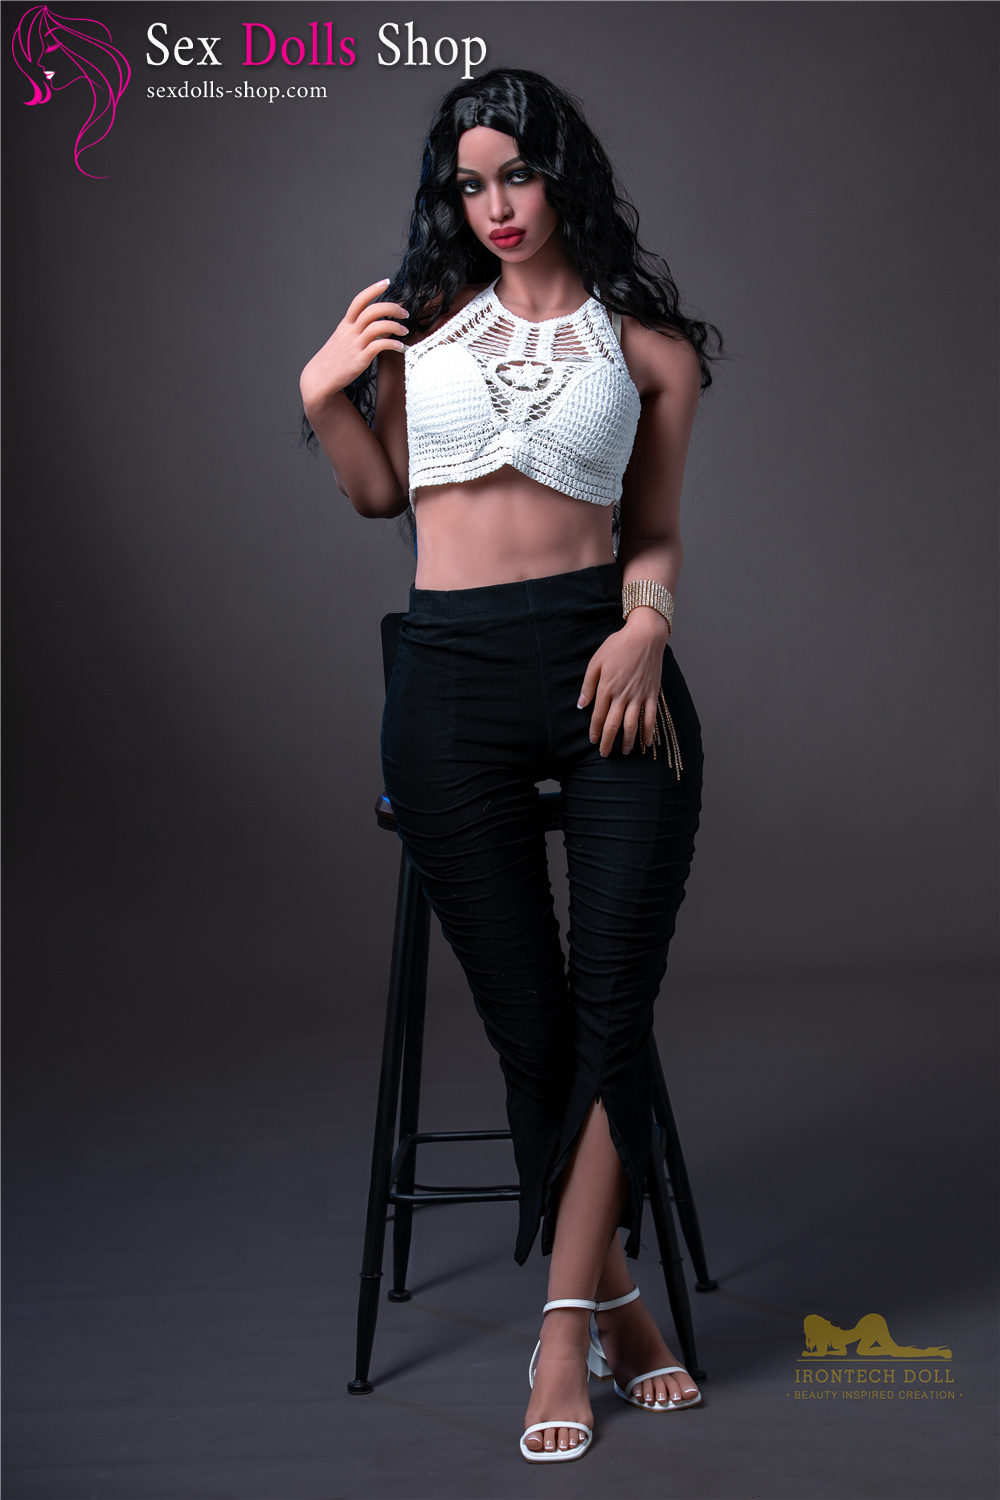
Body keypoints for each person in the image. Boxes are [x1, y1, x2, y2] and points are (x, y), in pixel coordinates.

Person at [301, 68, 721, 1464]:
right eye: (470, 183)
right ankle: (622, 1302)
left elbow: (653, 530)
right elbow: (381, 493)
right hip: (450, 683)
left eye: (517, 176)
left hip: (610, 678)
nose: (495, 206)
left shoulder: (652, 352)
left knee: (611, 1004)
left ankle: (560, 1329)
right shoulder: (420, 325)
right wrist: (321, 392)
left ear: (563, 177)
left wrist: (648, 628)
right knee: (532, 1026)